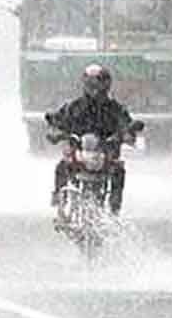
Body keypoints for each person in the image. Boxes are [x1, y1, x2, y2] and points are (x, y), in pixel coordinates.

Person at [45, 64, 134, 216]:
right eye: (91, 84)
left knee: (119, 170)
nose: (96, 89)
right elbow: (57, 122)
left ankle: (115, 206)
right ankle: (60, 198)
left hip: (105, 155)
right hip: (79, 154)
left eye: (100, 84)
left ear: (107, 85)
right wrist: (56, 132)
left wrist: (126, 135)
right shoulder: (73, 107)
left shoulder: (115, 109)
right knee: (62, 166)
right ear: (85, 85)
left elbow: (127, 125)